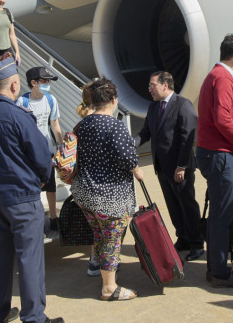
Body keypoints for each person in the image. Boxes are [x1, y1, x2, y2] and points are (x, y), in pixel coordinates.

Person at [0, 58, 64, 323]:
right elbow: (42, 157)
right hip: (22, 199)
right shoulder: (19, 116)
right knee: (29, 259)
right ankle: (34, 317)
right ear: (14, 85)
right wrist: (45, 179)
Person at [70, 78, 143, 301]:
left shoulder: (82, 125)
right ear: (113, 100)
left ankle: (101, 268)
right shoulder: (114, 126)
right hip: (110, 198)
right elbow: (128, 158)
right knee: (111, 239)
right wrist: (137, 171)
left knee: (100, 235)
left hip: (85, 194)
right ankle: (109, 288)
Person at [196, 34, 233, 288]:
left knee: (221, 211)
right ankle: (219, 271)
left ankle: (216, 267)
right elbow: (222, 118)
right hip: (220, 155)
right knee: (221, 214)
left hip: (214, 153)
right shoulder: (222, 78)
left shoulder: (216, 77)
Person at [135, 71, 203, 262]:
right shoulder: (153, 107)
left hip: (179, 168)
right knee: (173, 205)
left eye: (152, 85)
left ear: (165, 86)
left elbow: (187, 138)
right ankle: (183, 238)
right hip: (162, 167)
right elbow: (146, 132)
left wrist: (181, 166)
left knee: (187, 204)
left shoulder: (183, 105)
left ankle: (197, 242)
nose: (149, 89)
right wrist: (129, 144)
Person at [16, 67, 63, 238]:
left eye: (48, 81)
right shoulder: (22, 102)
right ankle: (36, 219)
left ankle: (53, 217)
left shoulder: (51, 100)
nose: (47, 85)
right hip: (29, 154)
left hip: (47, 150)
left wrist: (60, 145)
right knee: (34, 187)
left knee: (50, 184)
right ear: (33, 83)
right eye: (44, 81)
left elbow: (55, 124)